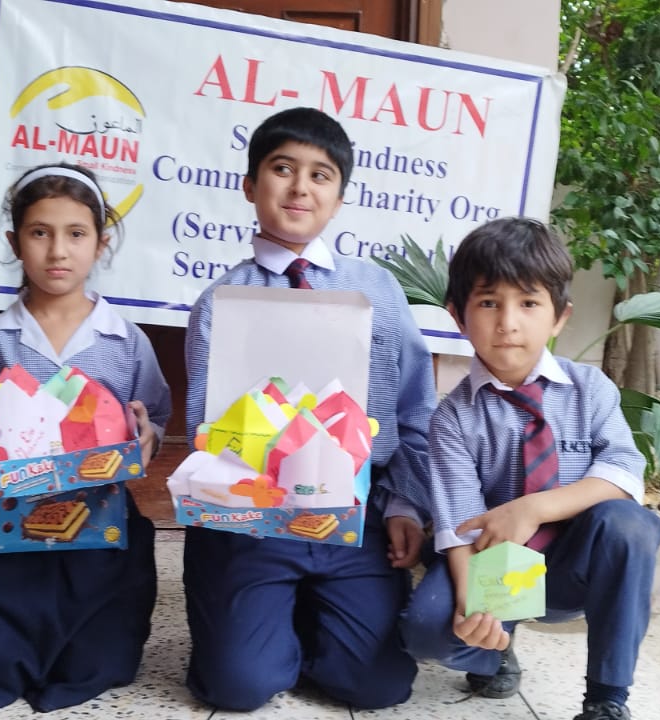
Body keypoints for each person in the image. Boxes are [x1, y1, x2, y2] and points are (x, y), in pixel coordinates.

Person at [180, 107, 436, 711]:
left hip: (356, 519)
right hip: (255, 524)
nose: (300, 187)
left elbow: (414, 409)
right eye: (282, 168)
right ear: (250, 185)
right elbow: (205, 431)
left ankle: (306, 615)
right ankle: (263, 616)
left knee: (378, 687)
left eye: (321, 175)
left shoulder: (376, 290)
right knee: (239, 687)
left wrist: (404, 505)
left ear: (339, 196)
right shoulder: (221, 301)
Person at [398, 217, 660, 720]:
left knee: (628, 524)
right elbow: (457, 527)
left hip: (574, 567)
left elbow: (626, 471)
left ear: (559, 316)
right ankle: (495, 647)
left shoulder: (592, 390)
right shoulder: (453, 418)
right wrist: (475, 604)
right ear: (458, 316)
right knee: (429, 627)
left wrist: (532, 509)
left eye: (528, 302)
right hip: (492, 563)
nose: (508, 322)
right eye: (488, 302)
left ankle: (607, 699)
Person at [0, 162, 171, 712]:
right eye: (40, 233)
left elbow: (155, 418)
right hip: (9, 536)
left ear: (101, 242)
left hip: (97, 530)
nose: (58, 251)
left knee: (98, 665)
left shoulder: (124, 341)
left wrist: (147, 438)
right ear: (15, 241)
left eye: (76, 234)